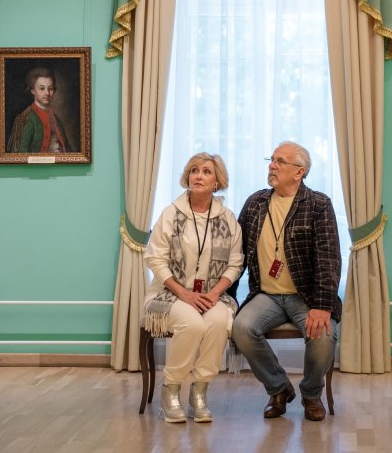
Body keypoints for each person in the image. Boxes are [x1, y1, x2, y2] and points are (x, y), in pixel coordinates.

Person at [230, 141, 341, 422]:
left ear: (299, 172)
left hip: (306, 297)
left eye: (280, 161)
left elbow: (328, 258)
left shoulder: (318, 204)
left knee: (323, 336)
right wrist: (225, 297)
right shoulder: (255, 203)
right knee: (242, 328)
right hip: (266, 295)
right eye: (272, 159)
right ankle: (279, 389)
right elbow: (237, 255)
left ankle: (311, 395)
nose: (272, 165)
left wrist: (322, 306)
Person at [143, 152, 244, 424]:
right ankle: (171, 390)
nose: (199, 176)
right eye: (194, 171)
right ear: (187, 177)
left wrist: (214, 294)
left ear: (217, 182)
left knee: (218, 322)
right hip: (168, 294)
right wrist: (184, 294)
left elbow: (235, 264)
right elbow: (155, 258)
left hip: (211, 295)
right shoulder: (171, 213)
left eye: (207, 172)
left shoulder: (227, 219)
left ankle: (199, 392)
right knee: (192, 324)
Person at [6, 67, 72, 153]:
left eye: (50, 89)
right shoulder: (26, 119)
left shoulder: (56, 120)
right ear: (33, 90)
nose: (47, 93)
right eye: (42, 88)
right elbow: (20, 154)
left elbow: (68, 150)